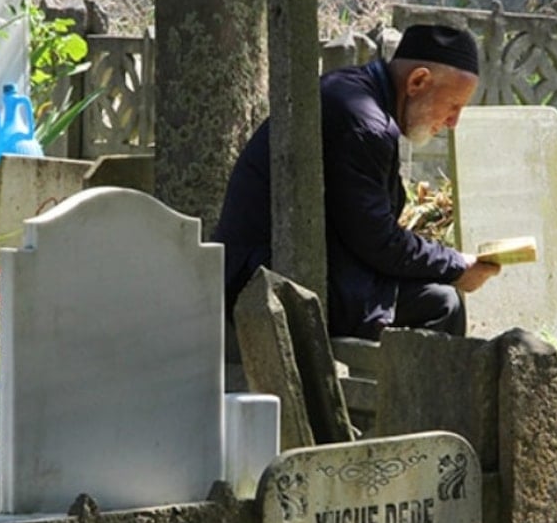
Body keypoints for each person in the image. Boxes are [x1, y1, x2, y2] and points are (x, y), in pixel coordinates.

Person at [213, 24, 500, 341]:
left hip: (277, 268)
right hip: (264, 279)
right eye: (453, 106)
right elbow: (378, 242)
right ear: (418, 81)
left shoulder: (359, 96)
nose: (453, 122)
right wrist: (456, 265)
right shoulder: (364, 123)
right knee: (443, 304)